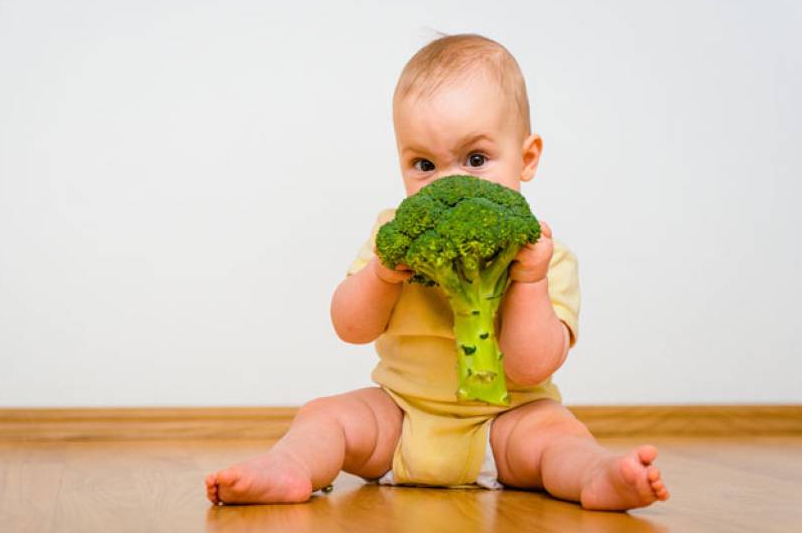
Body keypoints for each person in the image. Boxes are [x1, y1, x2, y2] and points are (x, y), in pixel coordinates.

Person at [205, 33, 669, 510]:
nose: (449, 183)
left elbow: (534, 366)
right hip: (402, 416)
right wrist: (381, 276)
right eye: (424, 164)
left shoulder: (546, 255)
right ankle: (290, 467)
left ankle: (598, 476)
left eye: (475, 160)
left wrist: (528, 281)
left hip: (506, 422)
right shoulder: (393, 237)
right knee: (326, 416)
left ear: (527, 158)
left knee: (558, 436)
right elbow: (349, 326)